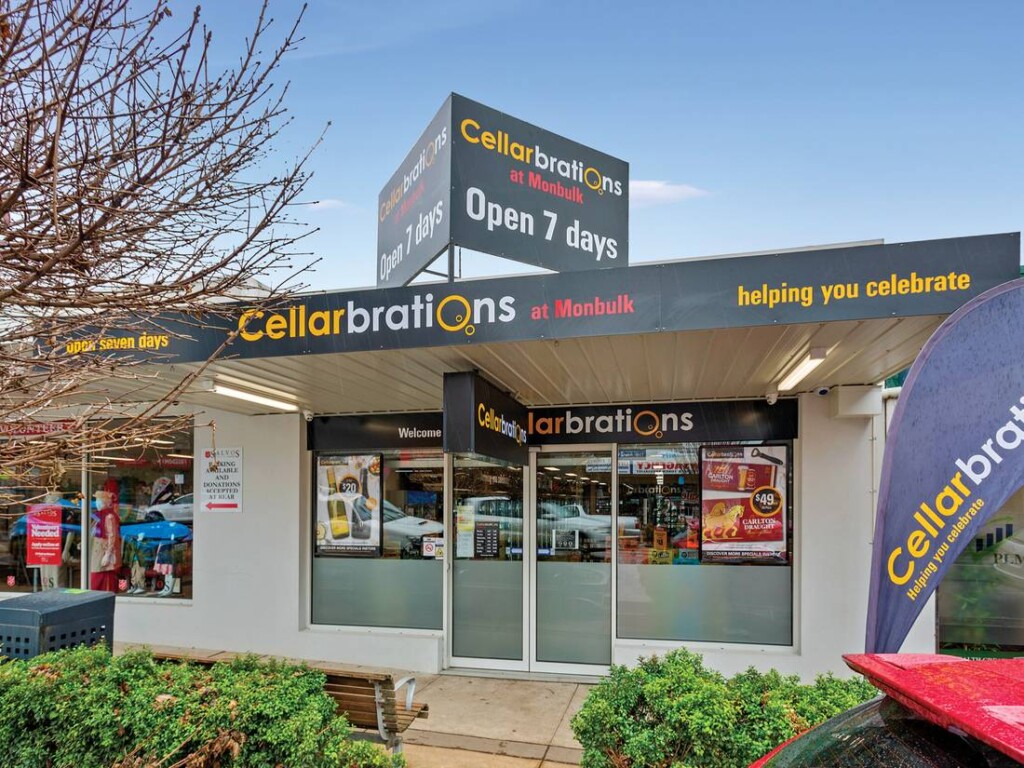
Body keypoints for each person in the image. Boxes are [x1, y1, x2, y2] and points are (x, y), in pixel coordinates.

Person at [89, 490, 122, 591]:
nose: (97, 503)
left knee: (100, 574)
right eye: (96, 500)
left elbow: (112, 536)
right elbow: (93, 531)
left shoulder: (109, 516)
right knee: (95, 572)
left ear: (104, 501)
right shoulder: (98, 516)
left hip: (103, 549)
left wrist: (108, 554)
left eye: (98, 500)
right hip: (96, 548)